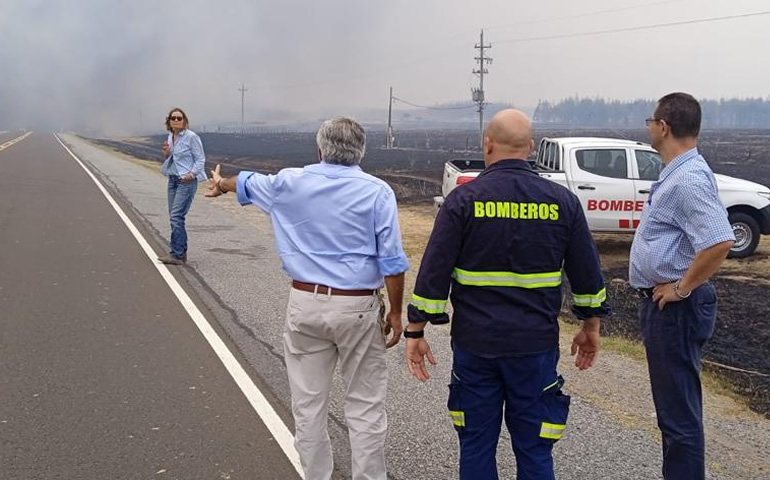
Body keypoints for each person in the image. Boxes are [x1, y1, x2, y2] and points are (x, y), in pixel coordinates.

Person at [404, 109, 610, 480]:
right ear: (531, 148)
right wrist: (591, 326)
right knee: (535, 449)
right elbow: (587, 276)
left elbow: (433, 272)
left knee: (476, 444)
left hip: (476, 346)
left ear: (487, 145)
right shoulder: (563, 202)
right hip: (534, 349)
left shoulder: (462, 201)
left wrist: (416, 330)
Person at [205, 116, 409, 480]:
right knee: (365, 407)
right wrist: (395, 311)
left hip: (305, 304)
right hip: (358, 306)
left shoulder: (289, 182)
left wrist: (221, 184)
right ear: (361, 151)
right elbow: (392, 262)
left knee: (308, 406)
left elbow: (246, 181)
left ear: (319, 150)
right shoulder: (378, 192)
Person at [629, 93, 735, 479]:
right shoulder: (677, 172)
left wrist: (681, 288)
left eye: (650, 121)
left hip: (675, 309)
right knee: (673, 414)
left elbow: (720, 240)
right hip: (666, 307)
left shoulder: (687, 178)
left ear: (664, 127)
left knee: (679, 420)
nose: (649, 127)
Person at [158, 107, 207, 265]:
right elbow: (172, 157)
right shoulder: (171, 136)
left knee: (176, 216)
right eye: (173, 118)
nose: (176, 120)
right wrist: (166, 153)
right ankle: (180, 252)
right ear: (169, 121)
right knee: (175, 217)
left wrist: (191, 174)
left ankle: (177, 254)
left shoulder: (191, 137)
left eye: (179, 118)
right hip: (173, 179)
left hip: (186, 181)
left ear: (184, 121)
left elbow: (200, 159)